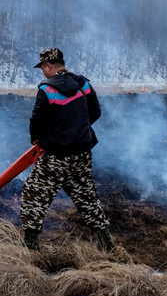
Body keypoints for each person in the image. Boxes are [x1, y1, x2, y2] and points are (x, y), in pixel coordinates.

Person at [21, 47, 115, 252]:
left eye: (42, 68)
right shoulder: (83, 83)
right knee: (87, 197)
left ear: (48, 66)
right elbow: (96, 111)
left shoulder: (46, 89)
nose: (42, 72)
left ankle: (30, 247)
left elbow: (36, 121)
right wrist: (77, 129)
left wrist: (37, 140)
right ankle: (107, 244)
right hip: (82, 154)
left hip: (55, 156)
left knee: (34, 195)